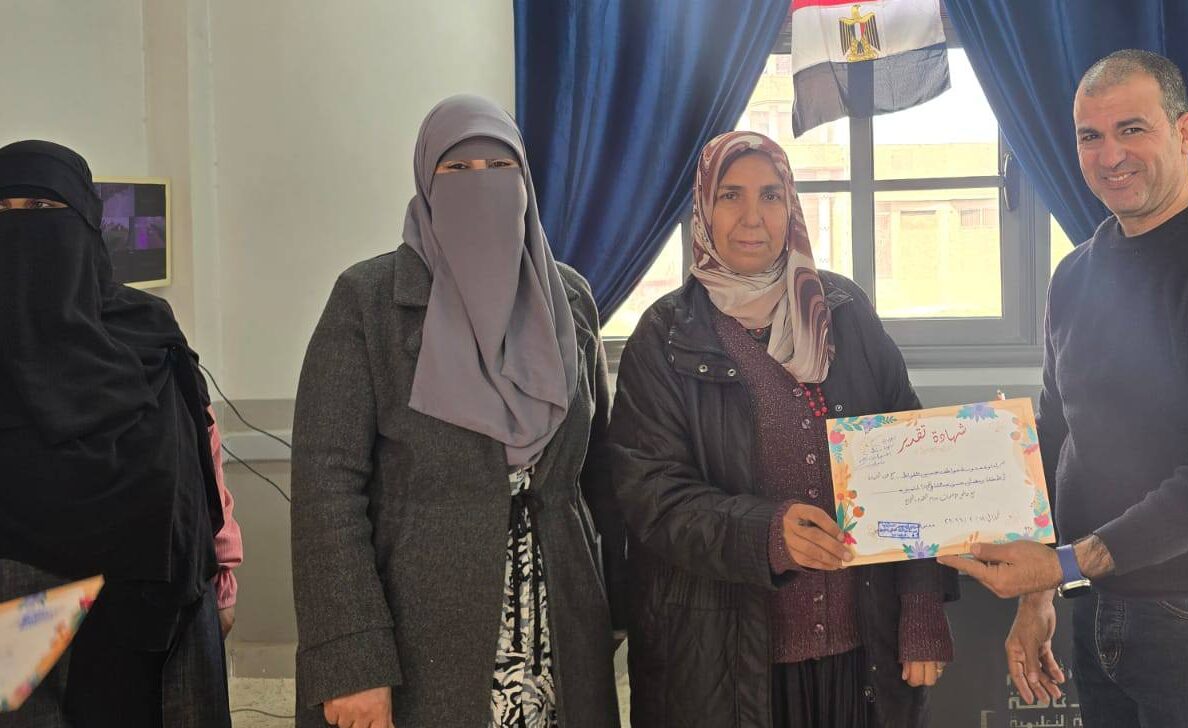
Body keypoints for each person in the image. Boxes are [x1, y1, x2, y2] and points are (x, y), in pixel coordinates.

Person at [940, 50, 1188, 728]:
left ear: (1185, 131)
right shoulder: (1075, 275)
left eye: (1132, 129)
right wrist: (1039, 593)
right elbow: (1060, 437)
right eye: (1090, 135)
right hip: (1099, 605)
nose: (1110, 155)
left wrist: (1062, 566)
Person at [290, 95, 623, 728]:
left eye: (500, 168)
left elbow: (598, 470)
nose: (482, 184)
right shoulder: (368, 301)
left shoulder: (570, 298)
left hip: (559, 624)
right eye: (458, 169)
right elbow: (326, 491)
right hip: (418, 632)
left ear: (525, 181)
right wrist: (352, 659)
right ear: (425, 180)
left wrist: (615, 604)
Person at [610, 131, 955, 728]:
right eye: (730, 196)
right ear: (703, 208)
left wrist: (921, 604)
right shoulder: (664, 336)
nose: (753, 217)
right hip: (728, 665)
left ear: (790, 206)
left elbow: (911, 462)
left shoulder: (843, 312)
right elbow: (653, 498)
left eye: (770, 195)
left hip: (862, 652)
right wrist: (767, 534)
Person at [0, 140, 231, 726]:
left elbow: (197, 460)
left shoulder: (146, 330)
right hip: (15, 621)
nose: (23, 226)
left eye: (43, 208)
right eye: (4, 209)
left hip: (156, 613)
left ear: (86, 222)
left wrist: (222, 572)